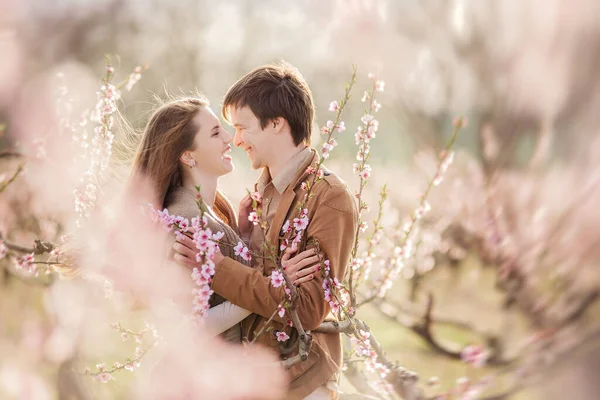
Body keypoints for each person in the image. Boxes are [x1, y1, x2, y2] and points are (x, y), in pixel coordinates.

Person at [174, 63, 358, 399]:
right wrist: (243, 240)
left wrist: (219, 268)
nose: (237, 140)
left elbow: (305, 307)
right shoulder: (260, 196)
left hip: (301, 380)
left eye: (243, 127)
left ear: (276, 123)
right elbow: (265, 285)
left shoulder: (328, 198)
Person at [129, 95, 319, 343]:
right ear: (187, 156)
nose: (230, 138)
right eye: (215, 133)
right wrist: (276, 282)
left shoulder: (213, 212)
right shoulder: (185, 223)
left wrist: (243, 239)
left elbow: (217, 290)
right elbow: (185, 331)